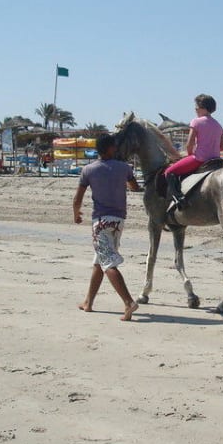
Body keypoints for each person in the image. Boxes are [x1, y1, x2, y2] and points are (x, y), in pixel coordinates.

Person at [72, 133, 141, 320]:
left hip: (101, 222)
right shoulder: (124, 168)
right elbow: (135, 187)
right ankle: (89, 302)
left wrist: (76, 213)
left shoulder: (88, 170)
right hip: (118, 221)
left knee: (108, 262)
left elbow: (77, 197)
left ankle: (128, 302)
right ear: (112, 147)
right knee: (100, 261)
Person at [164, 94, 223, 210]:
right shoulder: (219, 125)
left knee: (169, 172)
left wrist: (189, 154)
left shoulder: (196, 122)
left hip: (199, 159)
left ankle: (178, 199)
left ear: (203, 107)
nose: (195, 109)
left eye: (197, 106)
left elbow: (189, 144)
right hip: (216, 160)